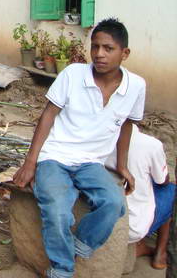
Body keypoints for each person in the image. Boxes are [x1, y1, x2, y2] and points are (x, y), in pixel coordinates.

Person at [13, 18, 146, 278]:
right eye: (95, 47)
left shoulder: (136, 86)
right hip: (55, 157)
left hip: (91, 162)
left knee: (113, 203)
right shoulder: (73, 74)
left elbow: (127, 125)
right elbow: (48, 115)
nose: (99, 54)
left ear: (124, 53)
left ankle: (80, 245)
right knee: (57, 209)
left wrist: (122, 165)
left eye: (108, 48)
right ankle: (62, 270)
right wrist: (31, 162)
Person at [105, 124, 175, 270]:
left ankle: (141, 246)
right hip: (131, 226)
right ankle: (160, 254)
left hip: (101, 218)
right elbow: (163, 181)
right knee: (171, 191)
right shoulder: (151, 145)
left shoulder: (99, 136)